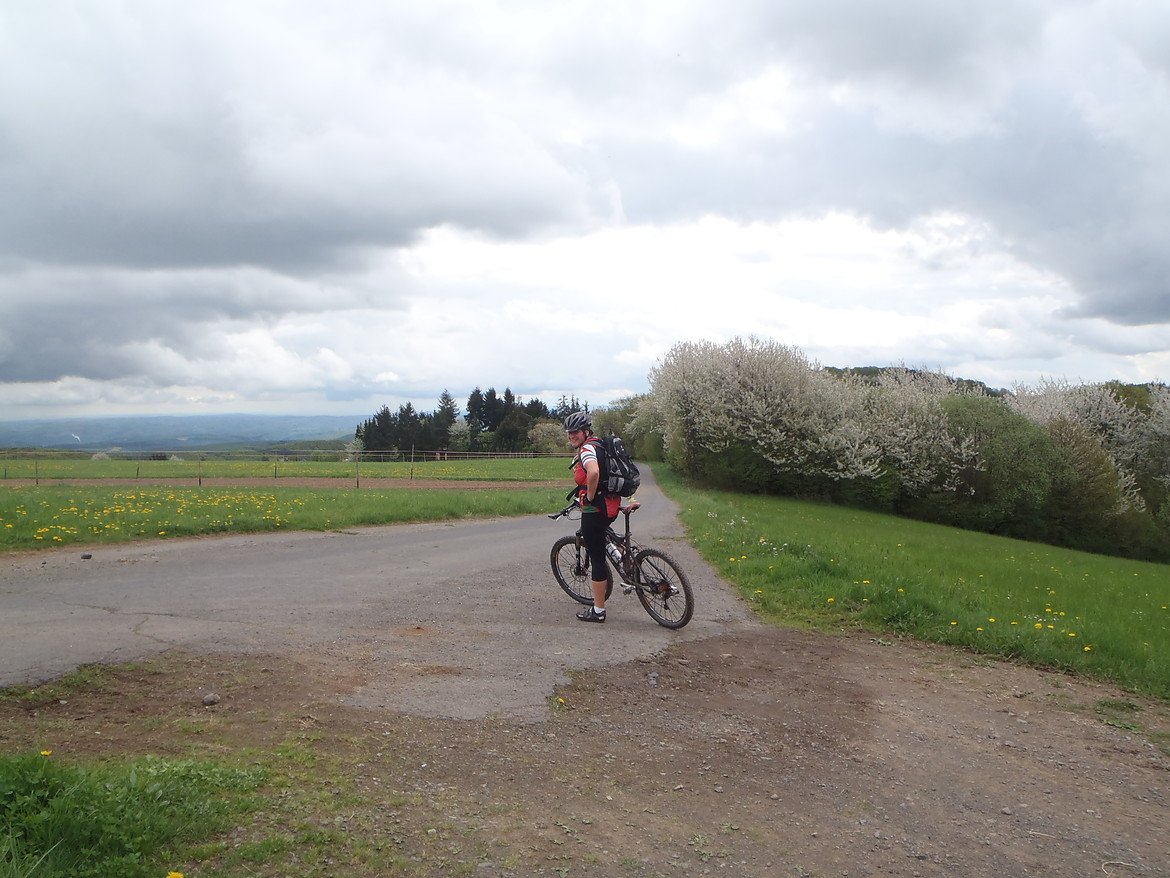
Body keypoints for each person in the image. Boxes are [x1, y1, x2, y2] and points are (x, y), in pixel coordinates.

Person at [563, 411, 621, 623]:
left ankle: (598, 610)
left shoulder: (587, 449)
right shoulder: (600, 445)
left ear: (586, 432)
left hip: (595, 509)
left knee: (597, 557)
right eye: (569, 432)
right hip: (611, 503)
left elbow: (594, 473)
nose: (571, 435)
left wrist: (589, 497)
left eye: (576, 432)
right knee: (605, 535)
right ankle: (627, 562)